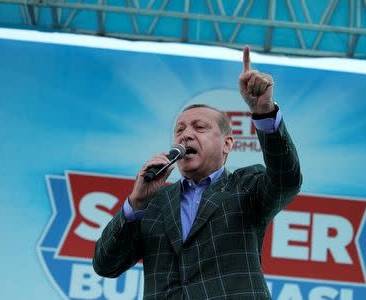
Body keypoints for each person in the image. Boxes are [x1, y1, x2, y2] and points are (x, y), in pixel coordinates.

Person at [93, 46, 302, 299]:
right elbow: (106, 264)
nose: (186, 134)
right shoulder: (154, 202)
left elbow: (286, 179)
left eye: (199, 127)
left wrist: (264, 111)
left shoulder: (245, 186)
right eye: (179, 130)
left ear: (227, 144)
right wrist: (135, 204)